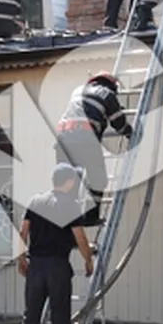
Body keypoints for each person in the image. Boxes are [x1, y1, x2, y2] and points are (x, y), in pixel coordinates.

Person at [16, 163, 95, 324]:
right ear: (69, 182)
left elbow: (23, 232)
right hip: (57, 267)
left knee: (31, 315)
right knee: (60, 316)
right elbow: (79, 237)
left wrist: (21, 259)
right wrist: (88, 259)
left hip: (36, 266)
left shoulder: (36, 201)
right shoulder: (70, 204)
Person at [54, 71, 134, 227]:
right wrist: (130, 132)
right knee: (98, 179)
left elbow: (87, 108)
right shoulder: (108, 94)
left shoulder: (77, 90)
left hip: (62, 140)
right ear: (111, 85)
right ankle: (90, 217)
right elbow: (118, 123)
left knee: (68, 182)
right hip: (85, 140)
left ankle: (65, 221)